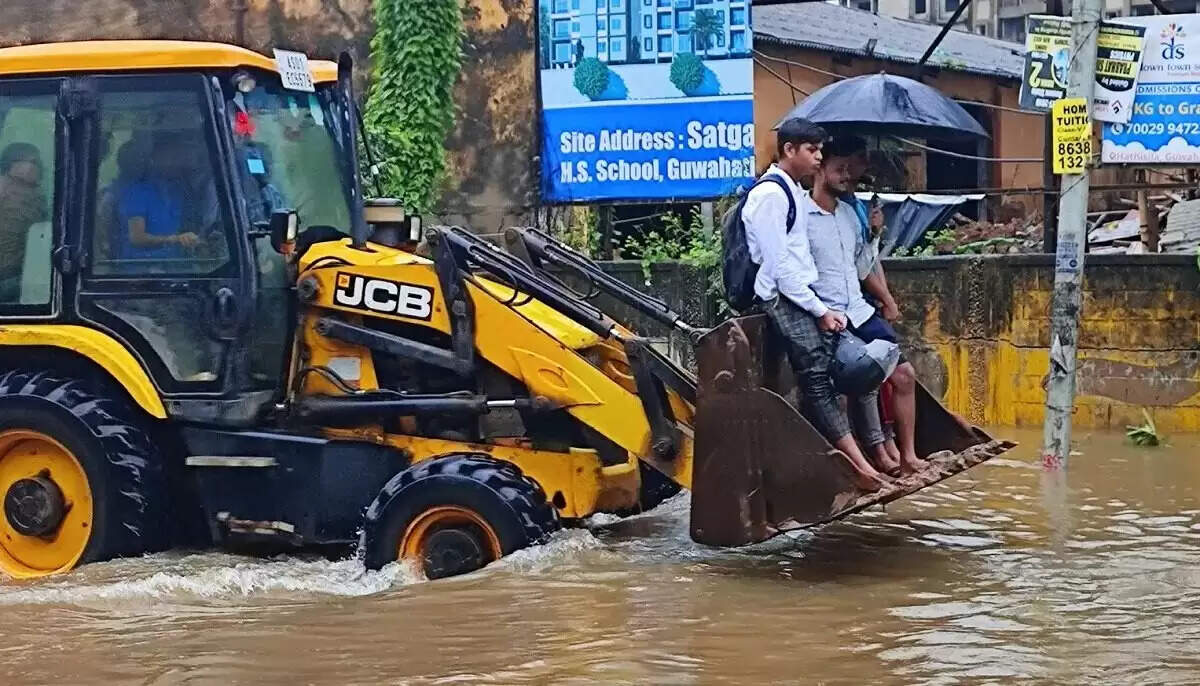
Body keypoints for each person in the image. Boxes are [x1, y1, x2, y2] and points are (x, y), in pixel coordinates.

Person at [741, 118, 890, 492]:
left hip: (800, 295)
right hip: (783, 298)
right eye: (812, 150)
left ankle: (856, 459)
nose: (818, 157)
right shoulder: (771, 196)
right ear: (789, 150)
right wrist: (820, 310)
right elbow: (779, 269)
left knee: (830, 375)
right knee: (818, 381)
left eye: (820, 150)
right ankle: (859, 466)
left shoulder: (789, 190)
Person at [814, 138, 926, 476]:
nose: (848, 176)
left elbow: (863, 265)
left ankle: (908, 456)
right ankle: (867, 456)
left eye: (850, 170)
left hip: (861, 312)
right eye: (840, 169)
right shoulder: (799, 218)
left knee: (904, 376)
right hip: (831, 317)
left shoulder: (849, 214)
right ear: (820, 169)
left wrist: (875, 236)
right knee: (847, 387)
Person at [116, 133, 206, 261]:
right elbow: (136, 237)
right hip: (140, 269)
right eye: (171, 156)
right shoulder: (138, 191)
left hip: (176, 266)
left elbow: (189, 227)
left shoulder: (179, 189)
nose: (176, 162)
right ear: (155, 157)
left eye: (178, 156)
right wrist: (175, 239)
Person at [0, 143, 48, 301]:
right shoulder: (5, 190)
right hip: (8, 277)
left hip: (21, 274)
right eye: (33, 161)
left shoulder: (35, 195)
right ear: (12, 163)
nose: (38, 166)